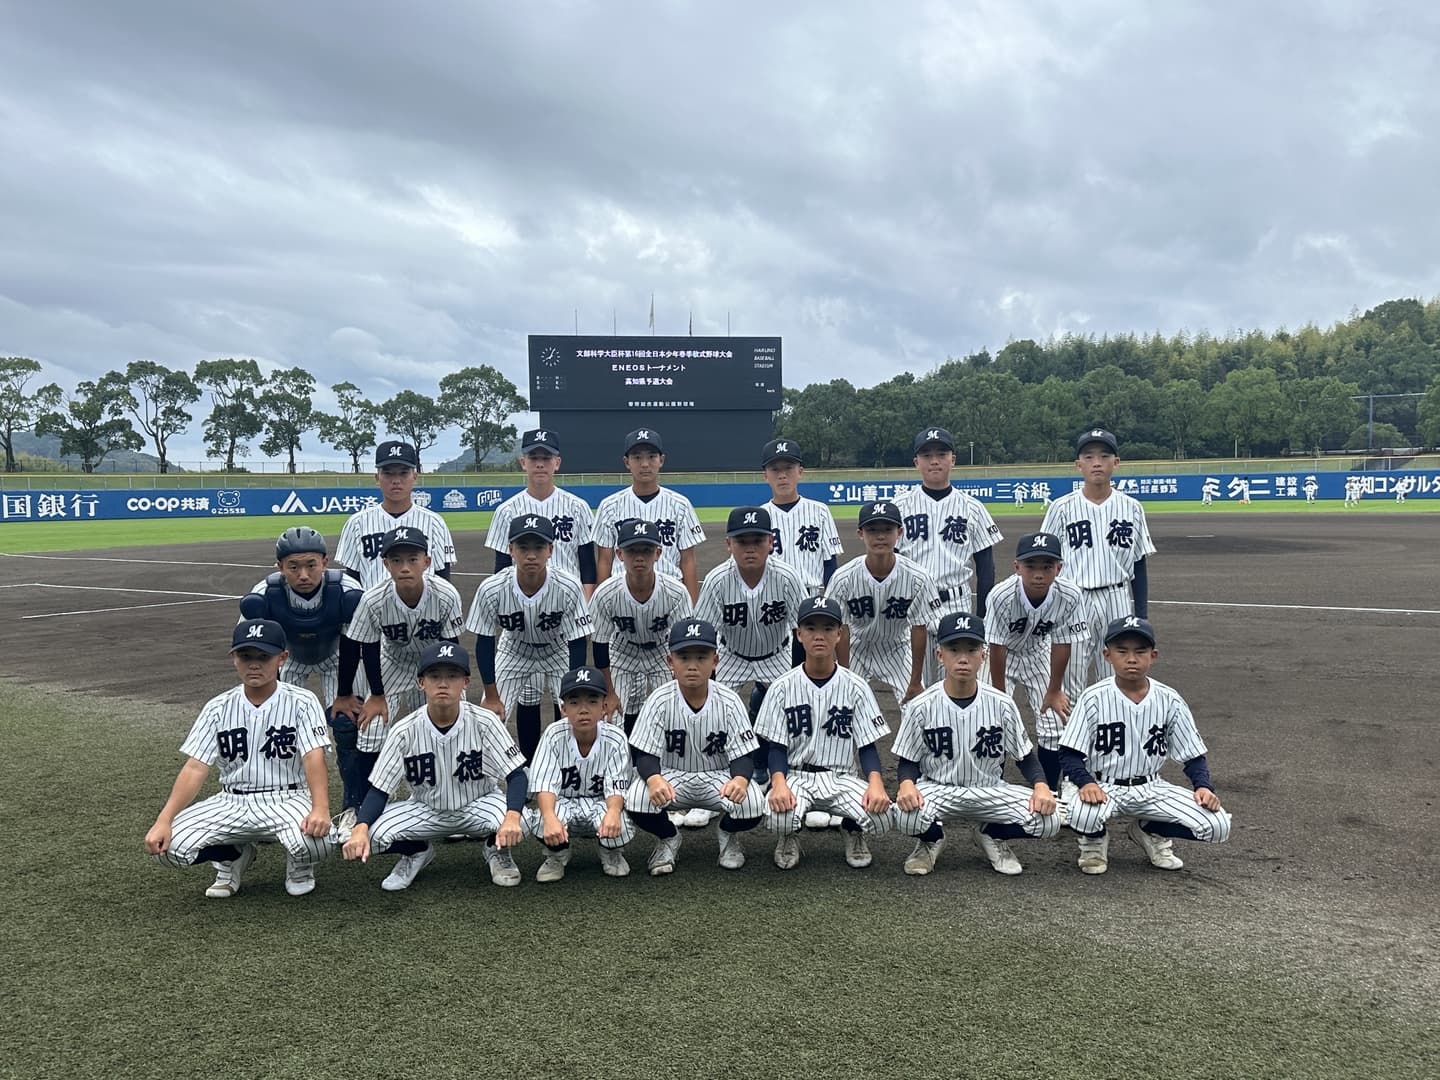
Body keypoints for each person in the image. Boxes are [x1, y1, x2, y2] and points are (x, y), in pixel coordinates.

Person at [144, 619, 332, 898]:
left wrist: (320, 808)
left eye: (263, 657)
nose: (254, 664)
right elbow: (195, 767)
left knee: (317, 842)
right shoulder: (217, 707)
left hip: (288, 798)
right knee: (167, 848)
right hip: (231, 800)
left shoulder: (302, 701)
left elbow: (313, 757)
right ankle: (233, 855)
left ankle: (300, 865)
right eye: (246, 656)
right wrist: (164, 819)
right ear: (234, 658)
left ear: (282, 659)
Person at [340, 642, 530, 889]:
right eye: (434, 676)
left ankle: (496, 848)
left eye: (452, 676)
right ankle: (417, 851)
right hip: (425, 809)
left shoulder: (485, 721)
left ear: (465, 683)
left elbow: (517, 775)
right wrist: (360, 826)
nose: (443, 684)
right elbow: (379, 791)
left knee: (524, 820)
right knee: (368, 833)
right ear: (421, 683)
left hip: (479, 804)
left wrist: (512, 816)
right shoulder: (404, 731)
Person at [1060, 616, 1232, 874]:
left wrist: (1203, 787)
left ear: (1153, 656)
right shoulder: (1092, 698)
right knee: (1080, 814)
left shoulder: (1169, 699)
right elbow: (1069, 753)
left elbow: (1193, 755)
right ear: (1107, 655)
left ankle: (1149, 830)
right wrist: (1085, 783)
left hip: (1151, 787)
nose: (1131, 659)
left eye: (1140, 652)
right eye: (1122, 651)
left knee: (1217, 826)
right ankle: (1094, 841)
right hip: (1103, 785)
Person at [892, 613, 1060, 876]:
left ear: (983, 655)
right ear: (940, 655)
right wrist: (906, 784)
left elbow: (1025, 758)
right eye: (954, 649)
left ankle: (991, 833)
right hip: (937, 790)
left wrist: (1041, 786)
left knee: (1050, 819)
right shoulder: (921, 705)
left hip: (989, 789)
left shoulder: (1002, 703)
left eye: (971, 650)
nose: (963, 658)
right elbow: (908, 761)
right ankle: (931, 839)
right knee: (903, 814)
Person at [754, 596, 893, 870]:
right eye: (811, 628)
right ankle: (788, 834)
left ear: (839, 634)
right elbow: (777, 748)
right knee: (778, 815)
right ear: (799, 634)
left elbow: (867, 746)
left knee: (883, 817)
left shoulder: (856, 686)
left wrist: (876, 782)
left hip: (842, 777)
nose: (820, 636)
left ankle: (853, 829)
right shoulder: (782, 687)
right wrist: (778, 782)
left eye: (828, 628)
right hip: (797, 776)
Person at [238, 527, 366, 816]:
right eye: (293, 567)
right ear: (280, 567)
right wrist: (265, 693)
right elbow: (249, 649)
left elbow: (359, 642)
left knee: (347, 725)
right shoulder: (264, 595)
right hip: (288, 660)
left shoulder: (347, 591)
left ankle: (353, 805)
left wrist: (345, 693)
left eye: (311, 565)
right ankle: (282, 797)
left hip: (339, 657)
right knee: (279, 728)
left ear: (325, 562)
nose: (303, 575)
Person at [623, 619, 767, 875]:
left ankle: (727, 833)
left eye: (701, 657)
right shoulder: (658, 700)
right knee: (636, 799)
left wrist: (740, 780)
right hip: (671, 777)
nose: (692, 665)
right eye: (684, 657)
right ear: (670, 662)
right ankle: (668, 837)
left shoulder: (730, 701)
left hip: (718, 777)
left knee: (754, 803)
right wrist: (654, 779)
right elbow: (644, 754)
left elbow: (744, 754)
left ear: (715, 661)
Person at [333, 527, 465, 784]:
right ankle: (369, 797)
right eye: (396, 560)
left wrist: (449, 682)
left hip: (434, 666)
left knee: (448, 723)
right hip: (392, 664)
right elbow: (368, 647)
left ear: (427, 562)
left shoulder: (445, 594)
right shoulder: (373, 599)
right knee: (370, 730)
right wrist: (377, 695)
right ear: (386, 564)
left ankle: (447, 786)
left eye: (412, 559)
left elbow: (451, 645)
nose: (405, 567)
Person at [464, 514, 592, 764]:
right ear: (511, 550)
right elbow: (485, 641)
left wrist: (572, 693)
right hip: (514, 650)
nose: (531, 555)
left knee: (576, 716)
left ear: (550, 550)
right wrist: (491, 695)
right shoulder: (492, 588)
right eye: (523, 547)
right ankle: (497, 777)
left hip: (557, 650)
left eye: (538, 547)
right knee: (487, 718)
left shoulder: (568, 586)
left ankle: (569, 772)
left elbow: (578, 641)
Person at [1041, 428, 1155, 689]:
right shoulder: (1061, 508)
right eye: (1089, 456)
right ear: (1078, 464)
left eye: (1104, 456)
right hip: (1073, 598)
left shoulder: (1132, 507)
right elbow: (1046, 561)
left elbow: (1139, 563)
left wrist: (1141, 615)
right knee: (1070, 677)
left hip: (1117, 598)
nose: (1097, 463)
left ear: (1116, 462)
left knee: (1117, 679)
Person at [894, 426, 1003, 685]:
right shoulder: (899, 507)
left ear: (953, 460)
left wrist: (981, 615)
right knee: (914, 687)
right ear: (916, 462)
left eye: (941, 454)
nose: (934, 461)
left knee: (959, 686)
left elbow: (986, 567)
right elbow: (890, 563)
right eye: (927, 455)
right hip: (913, 606)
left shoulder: (973, 508)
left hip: (956, 603)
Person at [983, 532, 1090, 795]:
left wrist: (1054, 690)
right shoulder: (1001, 596)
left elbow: (1062, 642)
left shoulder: (1069, 595)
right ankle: (991, 785)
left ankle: (1049, 790)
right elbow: (997, 646)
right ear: (1017, 567)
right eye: (1031, 566)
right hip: (1000, 658)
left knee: (1054, 722)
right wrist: (999, 696)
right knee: (991, 720)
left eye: (1047, 566)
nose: (1039, 574)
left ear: (1059, 568)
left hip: (1037, 653)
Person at [825, 500, 942, 706]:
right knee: (843, 705)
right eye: (872, 530)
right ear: (860, 533)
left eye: (887, 530)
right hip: (856, 649)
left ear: (899, 532)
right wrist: (844, 675)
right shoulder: (843, 577)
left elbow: (919, 627)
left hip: (897, 649)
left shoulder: (918, 577)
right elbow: (841, 629)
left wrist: (915, 681)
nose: (880, 536)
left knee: (917, 706)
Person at [527, 665, 635, 881]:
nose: (583, 710)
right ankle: (557, 855)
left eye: (592, 701)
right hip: (563, 803)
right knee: (540, 820)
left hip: (601, 803)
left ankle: (611, 851)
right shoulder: (553, 735)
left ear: (604, 707)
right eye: (574, 702)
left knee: (621, 824)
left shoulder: (616, 738)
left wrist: (614, 812)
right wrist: (549, 817)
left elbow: (617, 786)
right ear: (563, 708)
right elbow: (544, 784)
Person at [589, 518, 692, 733]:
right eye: (632, 550)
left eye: (646, 550)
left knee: (673, 715)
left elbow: (682, 642)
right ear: (619, 554)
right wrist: (609, 692)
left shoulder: (676, 592)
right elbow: (599, 645)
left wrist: (677, 677)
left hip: (661, 652)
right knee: (610, 718)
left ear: (658, 553)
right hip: (622, 652)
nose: (639, 557)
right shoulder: (606, 594)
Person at [593, 428, 706, 604]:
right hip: (621, 596)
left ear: (661, 460)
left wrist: (691, 607)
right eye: (637, 457)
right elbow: (605, 561)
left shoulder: (681, 505)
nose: (645, 464)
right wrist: (602, 603)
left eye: (651, 457)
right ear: (627, 462)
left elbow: (688, 561)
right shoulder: (609, 506)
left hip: (671, 595)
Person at [485, 428, 599, 599]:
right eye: (533, 458)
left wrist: (586, 603)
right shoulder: (506, 511)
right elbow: (502, 566)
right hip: (521, 600)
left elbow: (587, 564)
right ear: (523, 462)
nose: (540, 464)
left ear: (557, 463)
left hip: (569, 599)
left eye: (546, 458)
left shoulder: (578, 507)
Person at [758, 437, 842, 663]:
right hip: (771, 605)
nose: (782, 475)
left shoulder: (820, 511)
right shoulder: (760, 517)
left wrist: (829, 605)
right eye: (775, 469)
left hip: (812, 600)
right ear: (765, 475)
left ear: (800, 472)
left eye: (788, 468)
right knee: (772, 672)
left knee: (814, 667)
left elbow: (830, 565)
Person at [335, 440, 457, 588]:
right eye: (388, 473)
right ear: (377, 478)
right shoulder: (356, 523)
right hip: (371, 602)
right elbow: (352, 582)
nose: (396, 480)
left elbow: (443, 580)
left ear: (415, 477)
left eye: (403, 473)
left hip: (423, 603)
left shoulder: (434, 522)